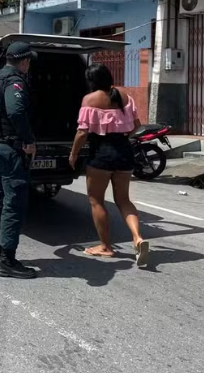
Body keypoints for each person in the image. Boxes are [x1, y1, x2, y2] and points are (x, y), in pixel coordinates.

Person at [68, 63, 150, 267]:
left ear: (92, 81)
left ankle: (106, 246)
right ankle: (137, 237)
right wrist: (122, 137)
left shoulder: (89, 99)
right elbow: (137, 127)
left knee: (96, 200)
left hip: (101, 155)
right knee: (124, 200)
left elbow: (82, 132)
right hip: (124, 152)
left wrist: (73, 154)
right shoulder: (125, 96)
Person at [0, 42, 38, 279]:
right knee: (13, 204)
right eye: (28, 61)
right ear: (24, 61)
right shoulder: (14, 81)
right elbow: (15, 111)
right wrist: (28, 140)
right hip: (10, 150)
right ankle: (7, 261)